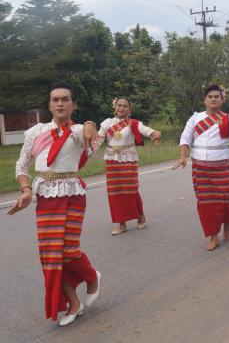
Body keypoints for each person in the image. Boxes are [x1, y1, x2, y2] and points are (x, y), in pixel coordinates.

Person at [8, 82, 101, 326]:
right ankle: (74, 302)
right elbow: (21, 165)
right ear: (50, 105)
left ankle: (92, 277)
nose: (60, 103)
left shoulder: (80, 131)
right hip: (46, 198)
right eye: (55, 99)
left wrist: (90, 125)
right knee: (51, 257)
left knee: (69, 251)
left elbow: (90, 128)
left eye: (65, 99)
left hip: (72, 195)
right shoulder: (36, 132)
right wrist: (26, 189)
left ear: (73, 104)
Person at [173, 84, 229, 251]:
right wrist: (183, 156)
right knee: (205, 202)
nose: (213, 99)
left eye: (216, 97)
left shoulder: (228, 117)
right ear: (205, 100)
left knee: (224, 199)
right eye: (210, 97)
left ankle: (226, 226)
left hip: (222, 165)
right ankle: (213, 236)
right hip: (200, 166)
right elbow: (185, 137)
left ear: (221, 100)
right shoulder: (195, 118)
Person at [96, 98, 161, 235]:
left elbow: (145, 130)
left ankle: (140, 216)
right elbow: (98, 140)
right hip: (111, 160)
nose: (121, 108)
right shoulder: (107, 123)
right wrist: (85, 151)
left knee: (130, 190)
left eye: (125, 106)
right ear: (115, 107)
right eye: (119, 105)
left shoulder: (133, 123)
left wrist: (154, 133)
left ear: (129, 110)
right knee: (115, 192)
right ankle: (121, 223)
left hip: (128, 159)